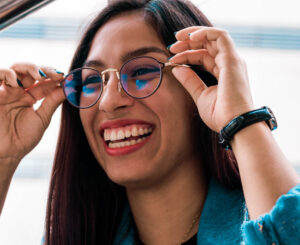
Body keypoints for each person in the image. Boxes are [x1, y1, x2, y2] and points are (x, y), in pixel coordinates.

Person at [0, 0, 300, 244]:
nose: (109, 101)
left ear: (201, 85)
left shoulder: (260, 216)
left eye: (142, 72)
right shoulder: (73, 236)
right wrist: (4, 158)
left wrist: (240, 119)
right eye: (93, 81)